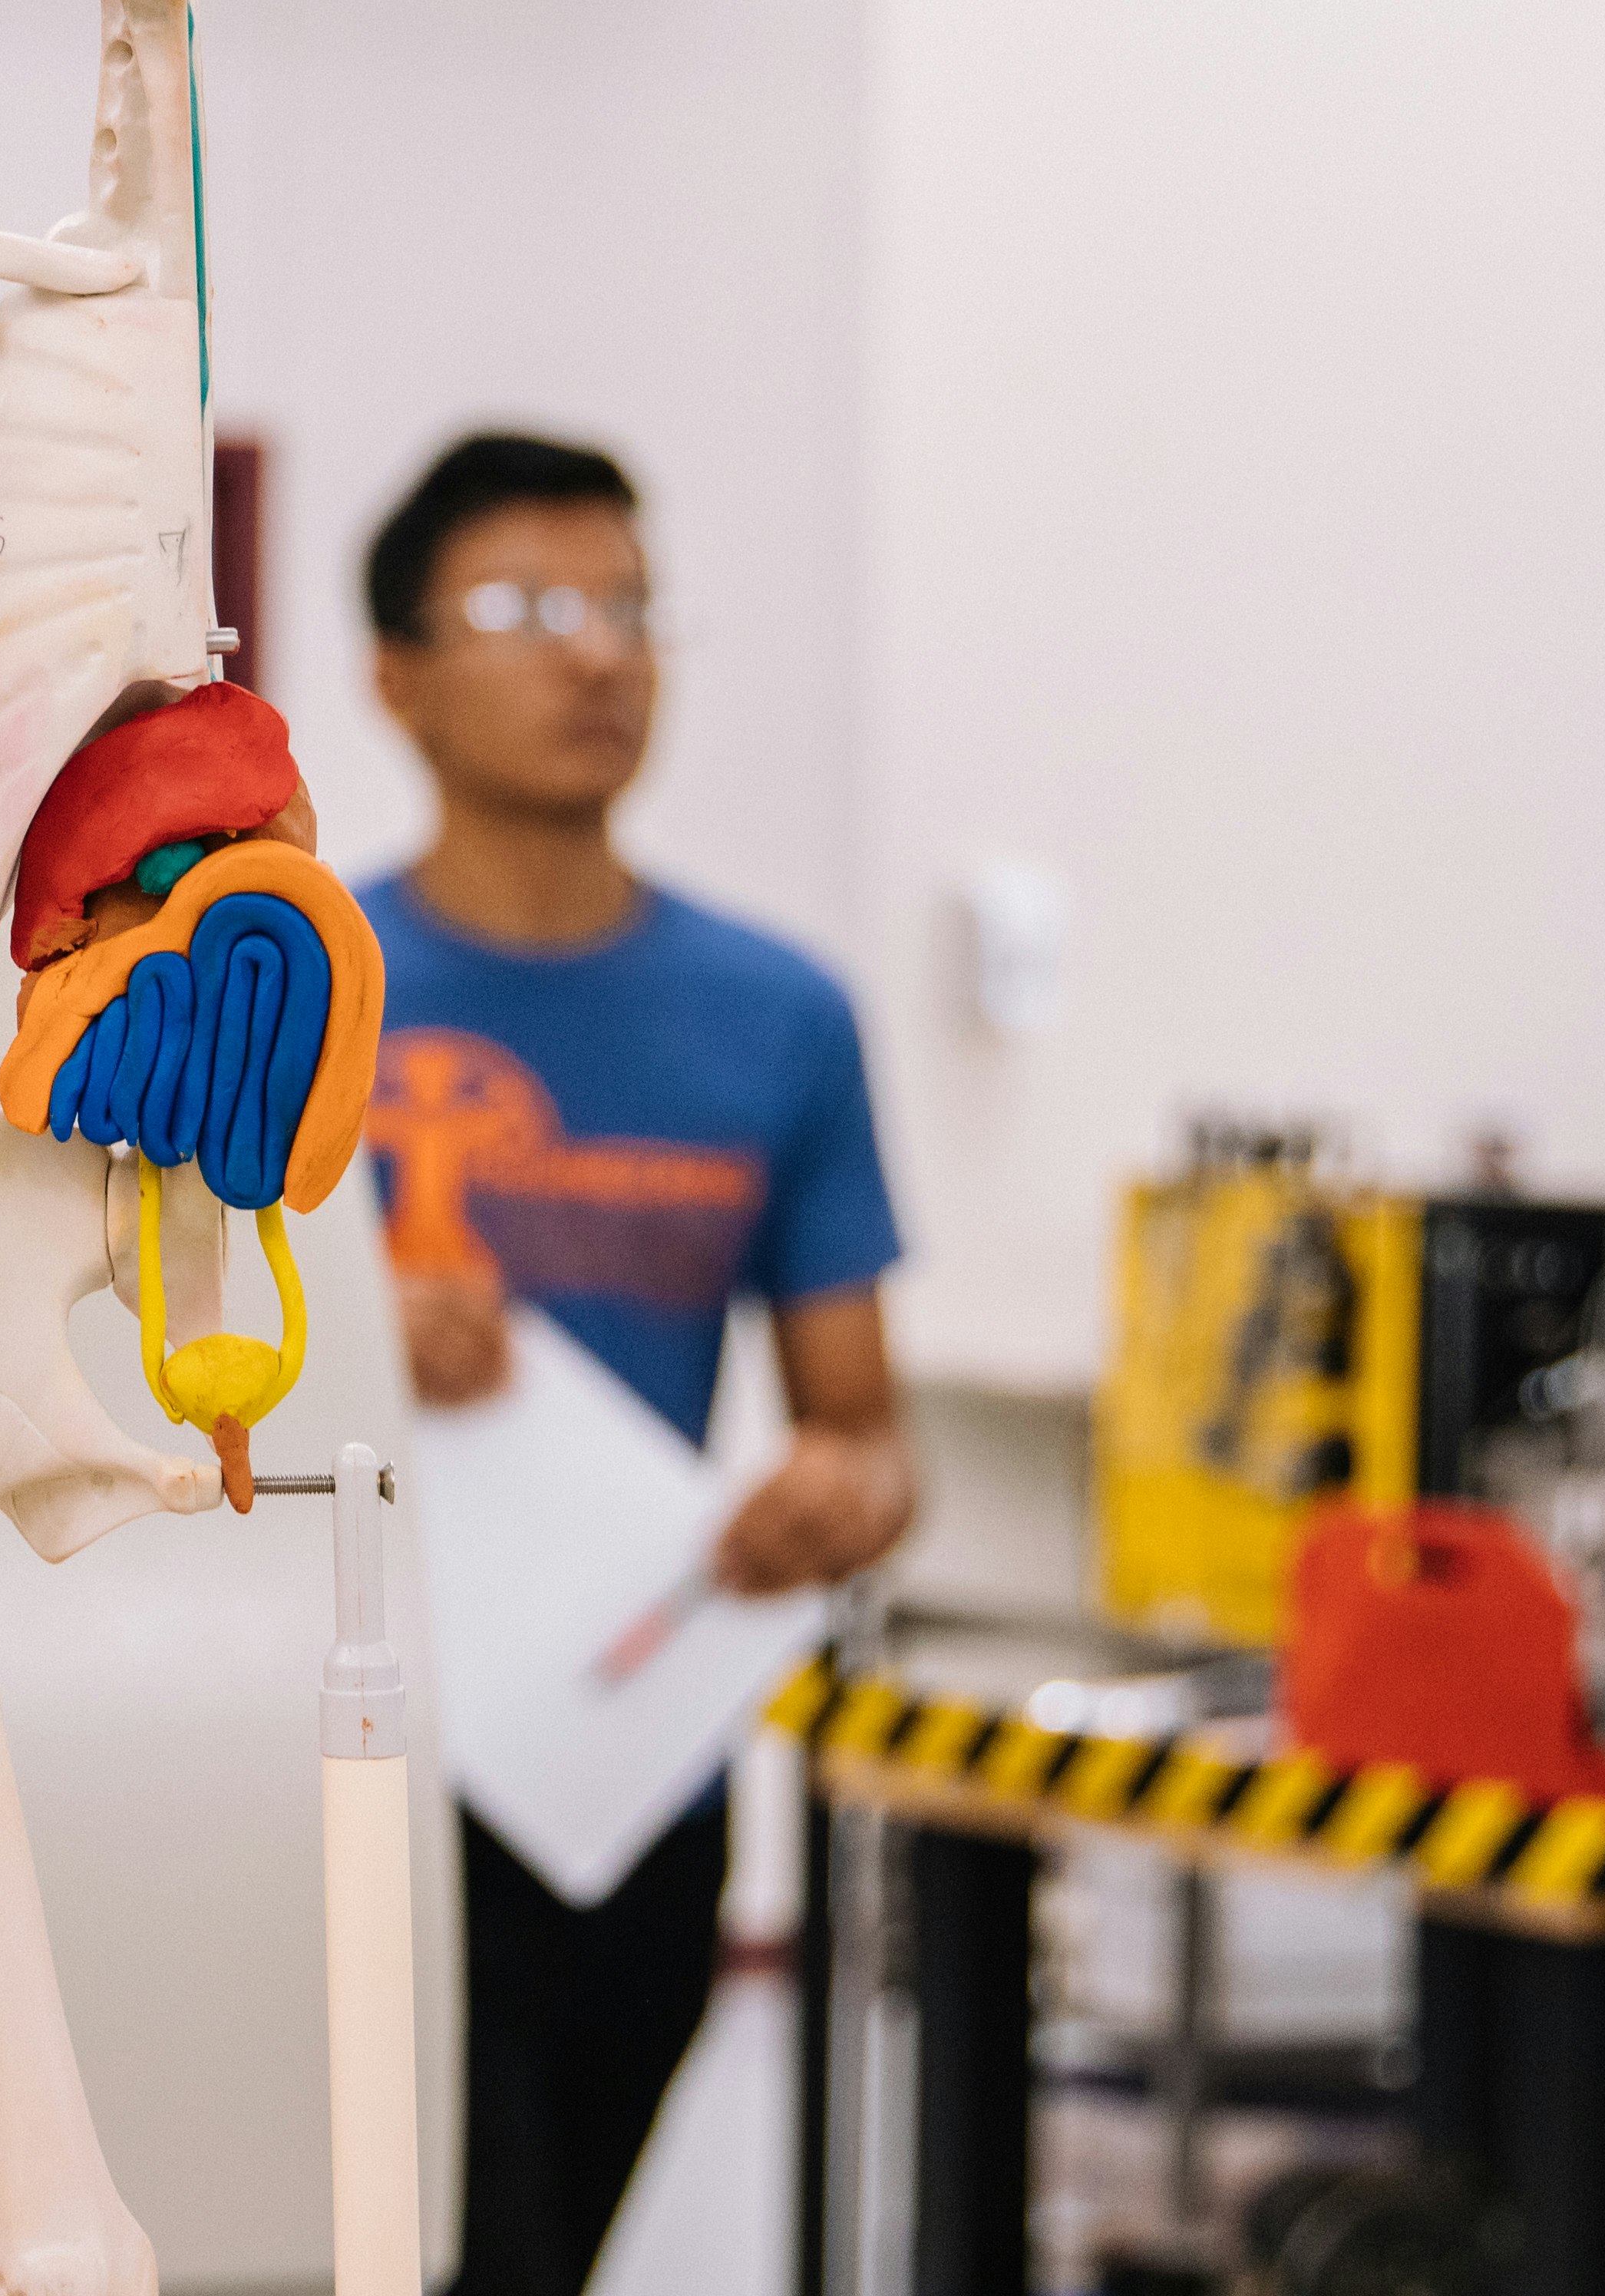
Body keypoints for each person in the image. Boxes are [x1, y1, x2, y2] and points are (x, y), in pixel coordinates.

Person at [354, 430, 916, 2296]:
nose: (596, 654)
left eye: (629, 607)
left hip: (635, 1778)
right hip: (351, 1773)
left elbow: (868, 1431)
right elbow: (116, 1373)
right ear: (397, 674)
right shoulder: (287, 987)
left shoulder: (780, 1015)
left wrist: (844, 1493)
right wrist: (347, 1345)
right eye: (526, 610)